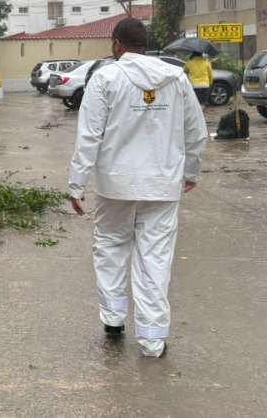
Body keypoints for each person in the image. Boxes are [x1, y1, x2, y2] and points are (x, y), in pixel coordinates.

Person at [68, 18, 207, 358]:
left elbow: (89, 136)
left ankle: (114, 321)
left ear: (117, 44)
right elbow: (196, 131)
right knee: (155, 261)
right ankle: (152, 340)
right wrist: (191, 171)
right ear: (145, 43)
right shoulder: (176, 78)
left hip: (115, 186)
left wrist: (77, 183)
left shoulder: (105, 78)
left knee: (111, 249)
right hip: (162, 185)